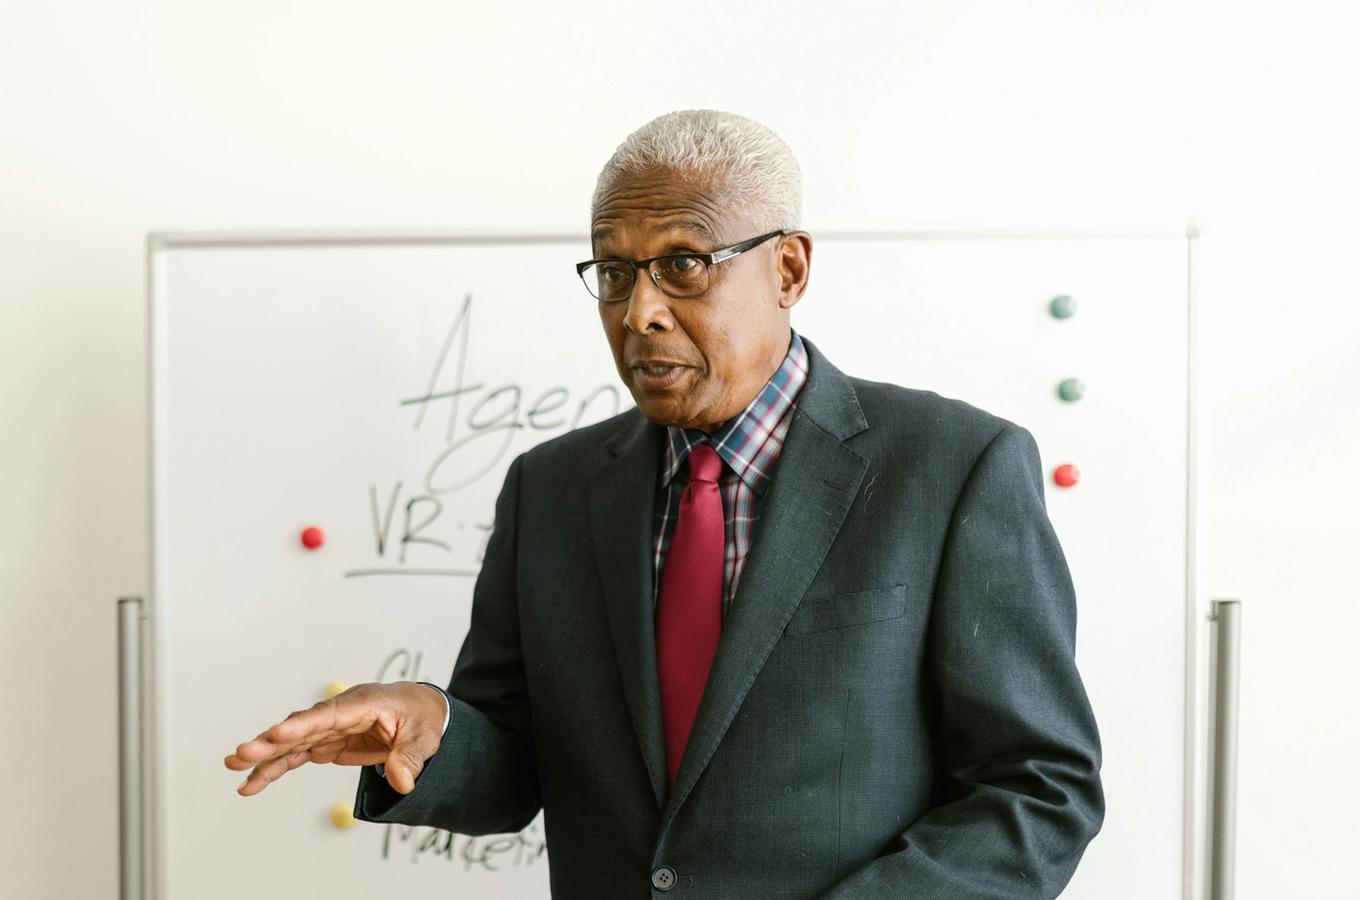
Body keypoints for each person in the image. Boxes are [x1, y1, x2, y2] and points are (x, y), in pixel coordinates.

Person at [225, 109, 1104, 898]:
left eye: (683, 264)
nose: (639, 310)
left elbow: (1038, 786)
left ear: (788, 268)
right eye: (613, 271)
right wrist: (428, 729)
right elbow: (517, 762)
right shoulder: (552, 488)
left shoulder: (954, 467)